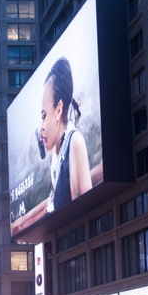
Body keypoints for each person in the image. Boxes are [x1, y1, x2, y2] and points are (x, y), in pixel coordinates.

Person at [39, 58, 93, 214]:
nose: (41, 127)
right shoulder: (57, 153)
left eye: (43, 116)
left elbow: (85, 209)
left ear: (58, 109)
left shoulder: (75, 141)